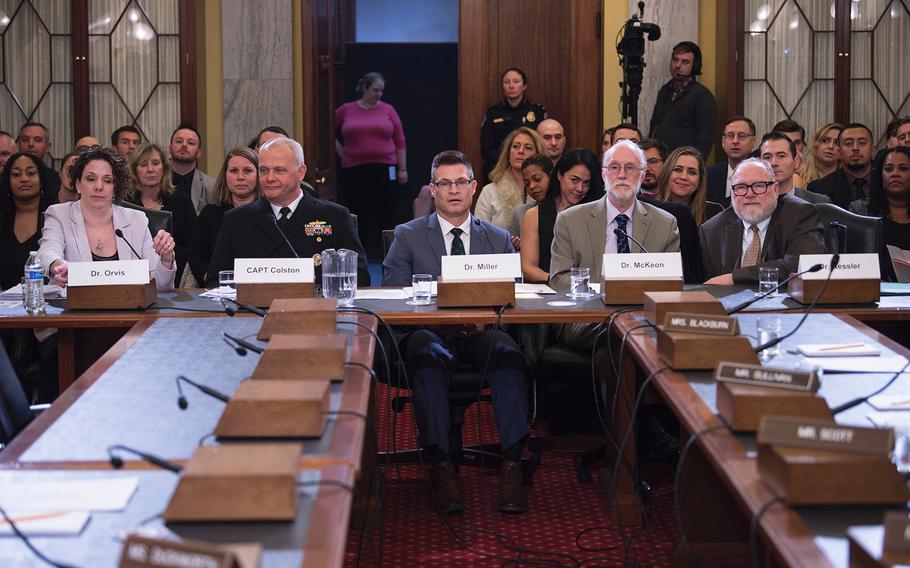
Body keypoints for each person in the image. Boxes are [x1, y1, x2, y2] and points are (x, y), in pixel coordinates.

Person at [382, 150, 529, 515]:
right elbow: (393, 297)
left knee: (509, 354)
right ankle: (441, 465)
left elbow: (513, 296)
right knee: (429, 358)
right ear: (432, 190)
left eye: (460, 182)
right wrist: (439, 289)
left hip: (479, 333)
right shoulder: (408, 235)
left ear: (473, 187)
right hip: (427, 332)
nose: (453, 190)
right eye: (444, 183)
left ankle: (513, 464)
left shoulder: (496, 238)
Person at [207, 137, 370, 287]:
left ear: (301, 172)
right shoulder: (236, 220)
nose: (270, 178)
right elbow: (216, 281)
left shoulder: (334, 216)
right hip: (251, 315)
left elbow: (360, 278)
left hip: (314, 314)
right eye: (263, 170)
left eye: (279, 170)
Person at [549, 140, 681, 291]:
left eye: (630, 168)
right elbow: (558, 279)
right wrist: (603, 290)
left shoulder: (665, 225)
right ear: (604, 173)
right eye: (614, 167)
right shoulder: (570, 221)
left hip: (643, 311)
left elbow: (672, 283)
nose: (622, 175)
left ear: (642, 175)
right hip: (590, 310)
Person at [38, 147, 176, 289]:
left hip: (128, 306)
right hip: (72, 307)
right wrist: (58, 265)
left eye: (107, 180)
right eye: (91, 179)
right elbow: (47, 252)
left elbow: (159, 284)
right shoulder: (59, 215)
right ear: (78, 184)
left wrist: (166, 258)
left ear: (115, 188)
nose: (99, 186)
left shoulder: (137, 220)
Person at [700, 158, 826, 285]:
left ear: (776, 189)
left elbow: (800, 264)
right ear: (732, 193)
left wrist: (735, 277)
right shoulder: (711, 231)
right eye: (741, 187)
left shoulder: (800, 214)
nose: (749, 194)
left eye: (759, 186)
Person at [335, 71, 407, 258]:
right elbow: (330, 132)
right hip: (354, 169)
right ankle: (358, 255)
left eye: (381, 90)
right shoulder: (346, 110)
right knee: (359, 212)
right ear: (364, 89)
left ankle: (390, 254)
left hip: (385, 167)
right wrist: (343, 152)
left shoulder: (388, 110)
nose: (379, 94)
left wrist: (402, 168)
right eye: (375, 90)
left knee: (386, 212)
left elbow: (400, 141)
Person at [520, 149, 603, 283]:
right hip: (547, 292)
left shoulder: (596, 214)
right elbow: (528, 268)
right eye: (574, 180)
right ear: (559, 175)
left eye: (586, 183)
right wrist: (562, 281)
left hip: (592, 291)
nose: (580, 188)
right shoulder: (534, 215)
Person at [186, 147, 261, 287]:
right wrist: (208, 277)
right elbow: (196, 254)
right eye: (234, 170)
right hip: (218, 290)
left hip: (260, 289)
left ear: (259, 174)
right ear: (225, 175)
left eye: (247, 170)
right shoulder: (210, 213)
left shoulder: (269, 214)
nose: (240, 177)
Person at [127, 143, 197, 285]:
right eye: (143, 164)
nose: (150, 169)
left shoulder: (181, 200)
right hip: (134, 279)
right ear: (134, 171)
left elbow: (193, 245)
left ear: (164, 168)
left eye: (155, 163)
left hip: (176, 277)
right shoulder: (125, 204)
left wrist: (167, 252)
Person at [848, 147, 910, 281]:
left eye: (903, 169)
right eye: (888, 169)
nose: (895, 174)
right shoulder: (861, 211)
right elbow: (855, 261)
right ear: (880, 176)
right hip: (877, 290)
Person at [648, 41, 716, 158]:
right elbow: (654, 127)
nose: (678, 65)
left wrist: (694, 164)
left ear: (695, 66)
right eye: (675, 60)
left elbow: (706, 139)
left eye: (685, 62)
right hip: (661, 163)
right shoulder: (664, 91)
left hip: (684, 165)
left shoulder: (703, 97)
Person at [475, 126, 546, 239]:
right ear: (508, 154)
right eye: (515, 147)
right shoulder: (489, 191)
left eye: (528, 148)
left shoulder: (547, 191)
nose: (520, 151)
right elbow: (479, 235)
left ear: (538, 156)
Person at [0, 153, 55, 289]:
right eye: (16, 174)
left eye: (31, 173)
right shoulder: (2, 217)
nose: (24, 179)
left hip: (48, 301)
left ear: (42, 179)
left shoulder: (55, 215)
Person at [480, 68, 547, 174]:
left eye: (516, 81)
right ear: (502, 85)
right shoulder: (493, 113)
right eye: (507, 82)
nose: (511, 86)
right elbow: (486, 149)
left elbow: (542, 145)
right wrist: (508, 161)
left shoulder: (537, 112)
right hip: (499, 169)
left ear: (524, 86)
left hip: (530, 169)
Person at [807, 123, 876, 209]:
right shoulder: (819, 189)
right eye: (848, 143)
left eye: (862, 143)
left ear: (873, 150)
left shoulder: (886, 184)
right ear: (839, 151)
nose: (855, 148)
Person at [655, 147, 722, 227]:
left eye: (692, 172)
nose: (684, 177)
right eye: (678, 170)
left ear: (700, 180)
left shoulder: (714, 213)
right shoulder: (650, 209)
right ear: (667, 174)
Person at [759, 132, 830, 204]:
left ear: (795, 162)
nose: (773, 163)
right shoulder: (749, 202)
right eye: (767, 157)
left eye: (781, 156)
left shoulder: (819, 203)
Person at [706, 116, 757, 204]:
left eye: (742, 136)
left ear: (754, 141)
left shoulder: (762, 175)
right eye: (730, 135)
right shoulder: (709, 175)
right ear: (723, 141)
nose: (735, 141)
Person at [169, 123, 215, 215]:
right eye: (179, 141)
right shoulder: (156, 181)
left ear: (199, 153)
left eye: (190, 143)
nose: (184, 145)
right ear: (170, 149)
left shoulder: (211, 186)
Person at [507, 154, 553, 237]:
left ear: (552, 176)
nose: (532, 186)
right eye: (527, 183)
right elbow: (505, 245)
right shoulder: (521, 213)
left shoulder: (567, 210)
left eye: (537, 179)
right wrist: (513, 244)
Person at [16, 122, 60, 200]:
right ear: (19, 144)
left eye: (38, 140)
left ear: (47, 147)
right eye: (25, 140)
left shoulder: (57, 180)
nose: (31, 144)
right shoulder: (7, 177)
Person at [799, 122, 842, 186]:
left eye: (837, 142)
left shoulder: (849, 181)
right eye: (824, 141)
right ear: (815, 144)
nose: (831, 146)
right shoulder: (799, 177)